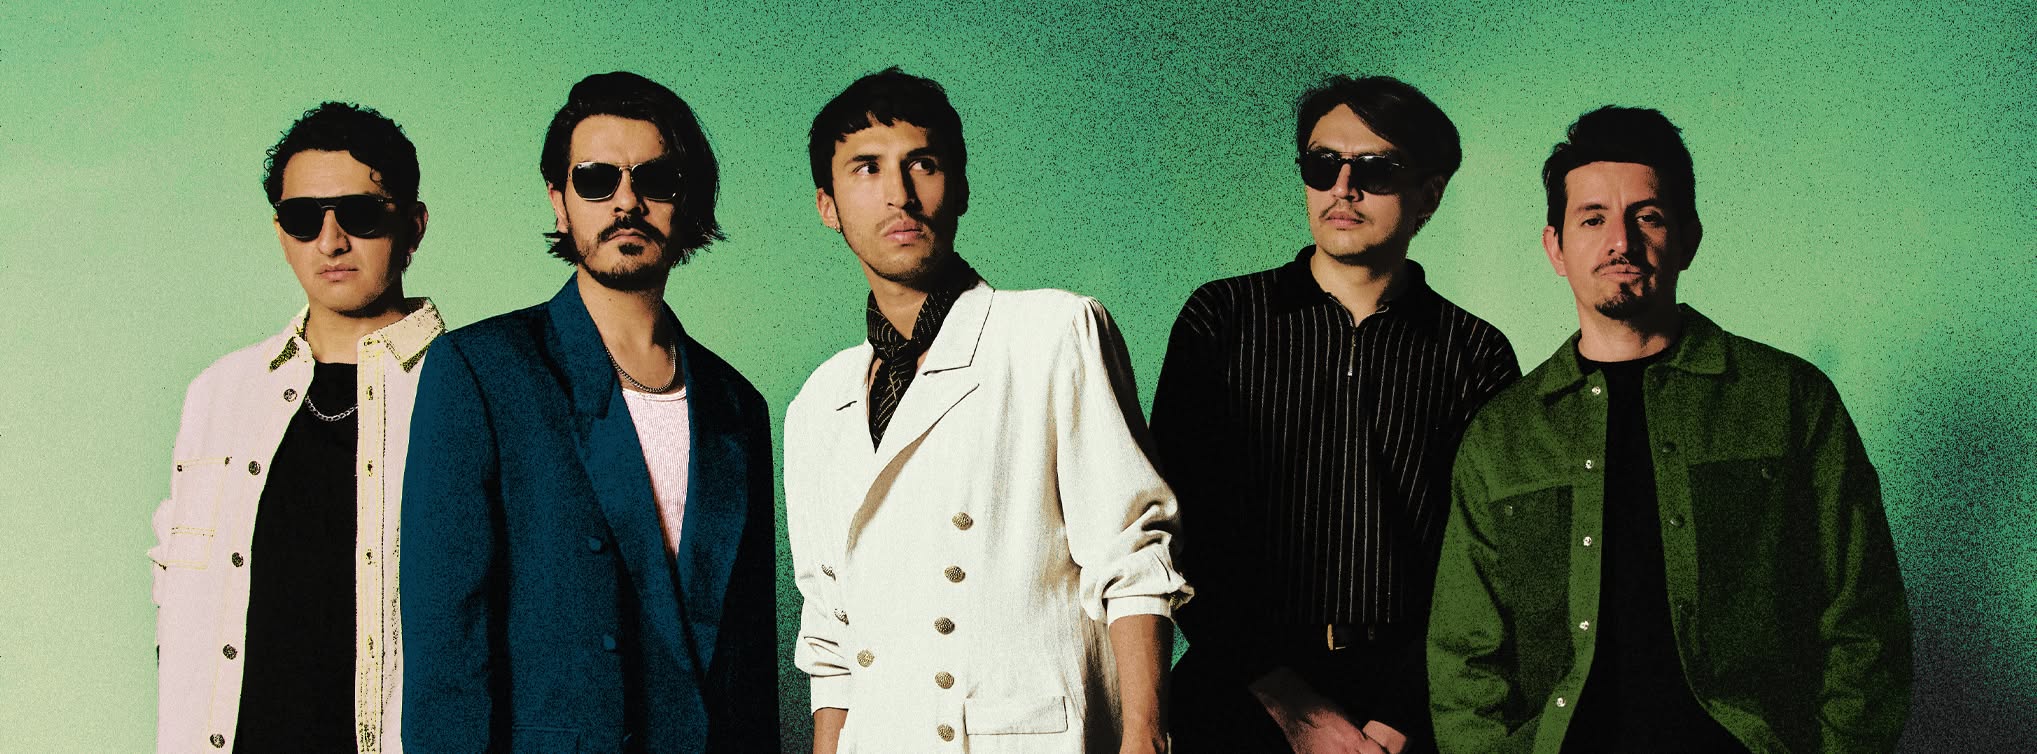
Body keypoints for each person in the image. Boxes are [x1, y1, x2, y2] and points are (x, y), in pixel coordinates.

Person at [1427, 106, 1913, 753]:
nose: (1620, 243)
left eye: (1647, 217)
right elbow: (1464, 660)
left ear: (1688, 238)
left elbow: (1864, 622)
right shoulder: (1501, 437)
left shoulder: (1790, 401)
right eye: (1592, 218)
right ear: (1555, 247)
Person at [784, 68, 1190, 753]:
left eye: (923, 163)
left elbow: (1133, 559)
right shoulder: (818, 402)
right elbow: (830, 637)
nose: (899, 194)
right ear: (828, 205)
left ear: (962, 187)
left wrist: (1144, 740)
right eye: (867, 168)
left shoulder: (1053, 333)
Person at [400, 72, 778, 752]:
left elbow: (747, 663)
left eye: (655, 179)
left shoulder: (736, 405)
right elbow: (445, 641)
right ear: (560, 202)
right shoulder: (481, 371)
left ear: (686, 200)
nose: (626, 201)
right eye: (597, 180)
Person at [1151, 75, 1519, 754]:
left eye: (1375, 170)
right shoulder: (1222, 319)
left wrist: (1400, 717)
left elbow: (1484, 558)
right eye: (1323, 165)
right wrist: (1297, 711)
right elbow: (1176, 522)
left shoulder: (1475, 353)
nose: (1342, 188)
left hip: (1412, 710)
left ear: (1429, 195)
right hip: (1238, 697)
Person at [150, 101, 443, 753]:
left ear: (413, 226)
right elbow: (177, 591)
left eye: (360, 214)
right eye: (304, 218)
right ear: (280, 232)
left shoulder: (469, 391)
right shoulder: (219, 394)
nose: (330, 242)